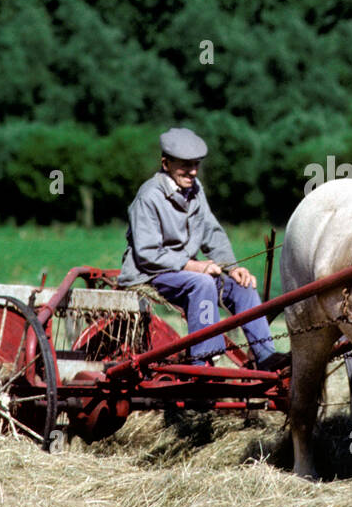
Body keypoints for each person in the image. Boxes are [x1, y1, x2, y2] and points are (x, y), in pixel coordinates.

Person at [118, 127, 289, 371]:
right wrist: (195, 266)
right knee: (203, 283)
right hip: (150, 274)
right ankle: (202, 361)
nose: (193, 171)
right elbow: (148, 254)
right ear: (165, 163)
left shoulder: (195, 190)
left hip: (186, 272)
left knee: (244, 286)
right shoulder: (149, 197)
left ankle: (265, 356)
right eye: (185, 165)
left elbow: (212, 233)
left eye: (196, 164)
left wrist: (233, 269)